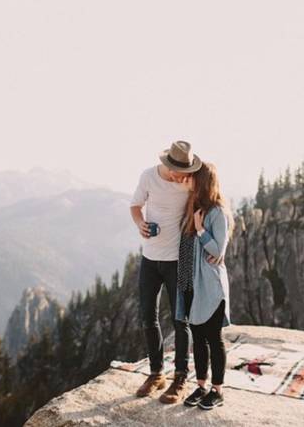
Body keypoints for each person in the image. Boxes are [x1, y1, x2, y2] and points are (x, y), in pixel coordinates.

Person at [130, 140, 218, 404]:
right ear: (169, 166)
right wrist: (140, 224)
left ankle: (180, 378)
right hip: (150, 258)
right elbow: (135, 206)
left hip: (180, 260)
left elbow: (213, 201)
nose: (184, 176)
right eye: (181, 172)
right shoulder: (148, 176)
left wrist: (216, 244)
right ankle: (156, 374)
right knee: (148, 317)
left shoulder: (190, 184)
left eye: (188, 171)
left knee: (182, 321)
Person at [175, 162, 234, 410]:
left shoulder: (217, 212)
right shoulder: (192, 207)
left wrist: (200, 230)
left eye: (192, 178)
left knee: (213, 338)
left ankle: (217, 390)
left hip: (209, 286)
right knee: (197, 338)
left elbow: (217, 251)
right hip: (190, 284)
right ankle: (200, 386)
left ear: (203, 181)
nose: (188, 181)